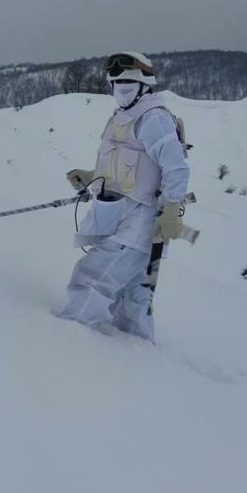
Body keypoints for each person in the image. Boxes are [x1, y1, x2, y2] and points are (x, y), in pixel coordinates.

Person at [55, 51, 190, 341]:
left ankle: (66, 336)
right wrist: (92, 176)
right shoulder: (122, 116)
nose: (120, 87)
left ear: (144, 84)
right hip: (120, 214)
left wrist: (170, 210)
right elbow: (128, 166)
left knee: (93, 278)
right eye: (116, 82)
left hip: (141, 220)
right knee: (132, 296)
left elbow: (176, 168)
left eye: (127, 82)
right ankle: (136, 351)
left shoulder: (153, 118)